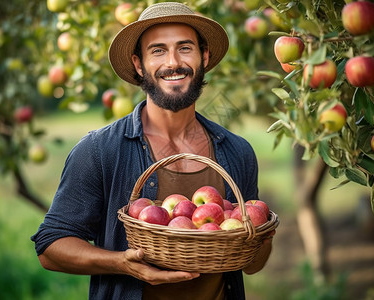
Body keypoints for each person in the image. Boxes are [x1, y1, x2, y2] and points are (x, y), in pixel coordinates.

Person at [31, 2, 275, 299]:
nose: (173, 62)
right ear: (138, 64)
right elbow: (50, 247)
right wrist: (122, 263)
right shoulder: (100, 150)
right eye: (158, 50)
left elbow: (251, 265)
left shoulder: (237, 152)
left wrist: (261, 236)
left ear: (204, 56)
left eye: (185, 48)